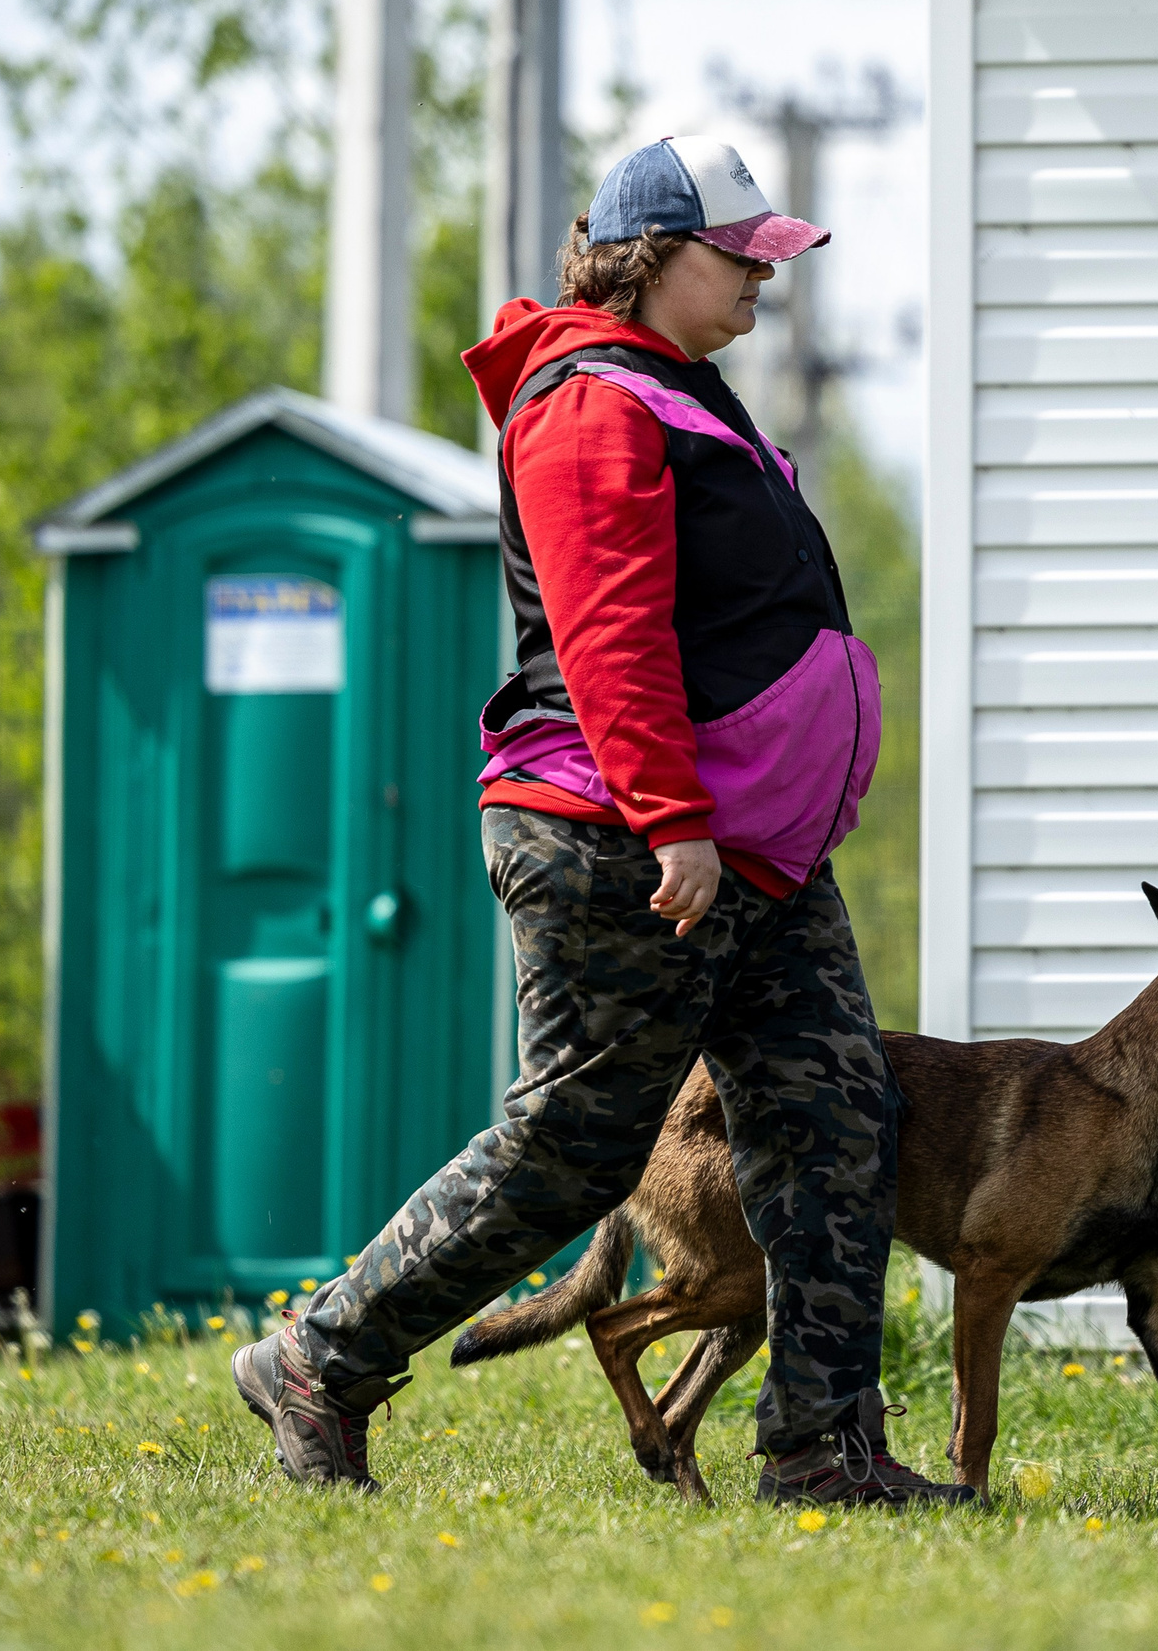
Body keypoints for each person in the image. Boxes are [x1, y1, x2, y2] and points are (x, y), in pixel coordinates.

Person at [232, 136, 967, 1507]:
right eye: (738, 254)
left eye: (768, 256)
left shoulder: (685, 393)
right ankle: (322, 1356)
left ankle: (821, 1449)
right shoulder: (586, 401)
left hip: (748, 847)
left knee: (837, 1113)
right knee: (579, 1139)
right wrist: (673, 815)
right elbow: (609, 633)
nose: (762, 277)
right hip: (624, 835)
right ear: (648, 256)